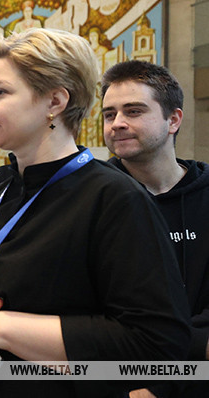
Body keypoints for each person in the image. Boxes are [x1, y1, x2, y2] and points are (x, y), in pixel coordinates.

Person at [0, 29, 190, 397]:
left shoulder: (113, 198)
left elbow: (155, 344)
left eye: (0, 92)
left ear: (55, 101)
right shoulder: (1, 184)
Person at [101, 60, 209, 398]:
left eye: (133, 111)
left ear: (173, 119)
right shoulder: (90, 197)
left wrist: (165, 385)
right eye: (109, 114)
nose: (117, 124)